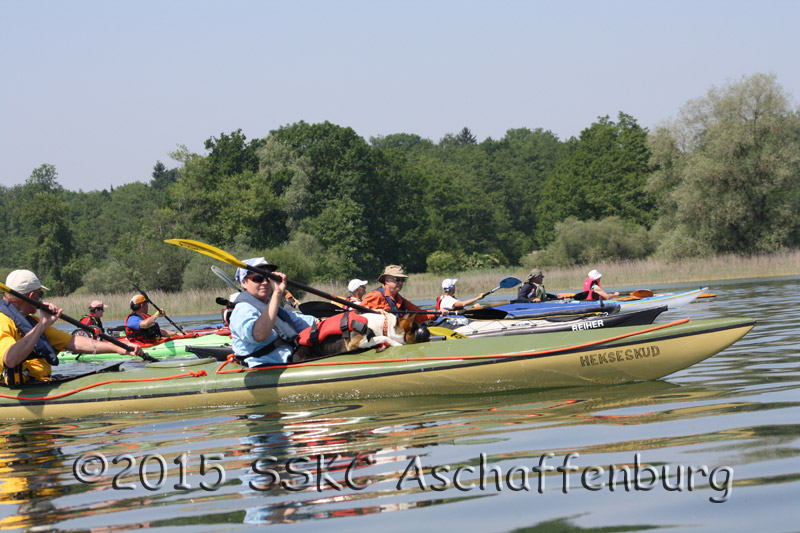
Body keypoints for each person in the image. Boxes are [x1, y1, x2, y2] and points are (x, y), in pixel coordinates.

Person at [0, 269, 144, 384]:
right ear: (32, 296)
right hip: (18, 390)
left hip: (38, 382)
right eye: (40, 294)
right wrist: (42, 325)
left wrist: (120, 348)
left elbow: (74, 342)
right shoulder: (3, 321)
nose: (41, 298)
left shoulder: (31, 321)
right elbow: (10, 360)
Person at [229, 257, 317, 367]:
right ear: (244, 282)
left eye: (269, 278)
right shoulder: (242, 309)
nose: (265, 282)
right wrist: (277, 293)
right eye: (258, 278)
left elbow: (302, 321)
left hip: (289, 360)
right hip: (263, 368)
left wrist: (328, 320)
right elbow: (259, 335)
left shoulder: (270, 306)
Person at [361, 265, 442, 322]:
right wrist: (375, 311)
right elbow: (356, 313)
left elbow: (418, 314)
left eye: (402, 280)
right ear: (387, 280)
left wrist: (437, 313)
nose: (400, 282)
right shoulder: (376, 295)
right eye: (397, 279)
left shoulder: (400, 300)